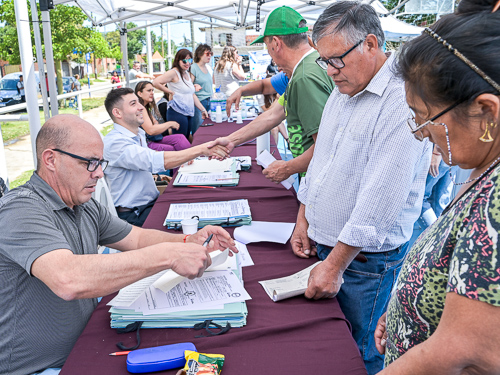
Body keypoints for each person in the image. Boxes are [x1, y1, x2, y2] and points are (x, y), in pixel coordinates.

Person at [0, 114, 237, 375]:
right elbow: (67, 279)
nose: (100, 173)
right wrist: (169, 254)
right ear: (51, 160)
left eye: (100, 162)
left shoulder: (82, 204)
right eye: (90, 163)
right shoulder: (20, 209)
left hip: (87, 343)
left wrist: (187, 241)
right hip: (40, 368)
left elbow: (135, 238)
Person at [291, 3, 430, 374]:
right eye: (323, 61)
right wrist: (303, 218)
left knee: (361, 351)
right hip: (333, 250)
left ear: (370, 44)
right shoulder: (344, 88)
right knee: (330, 349)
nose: (330, 71)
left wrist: (335, 264)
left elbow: (380, 201)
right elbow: (322, 161)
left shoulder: (402, 99)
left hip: (363, 263)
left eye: (336, 60)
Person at [374, 1, 500, 372]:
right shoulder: (484, 168)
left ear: (486, 112)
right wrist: (405, 308)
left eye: (426, 117)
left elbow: (468, 350)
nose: (421, 133)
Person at [211, 6, 334, 184]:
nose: (274, 63)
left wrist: (287, 168)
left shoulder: (304, 78)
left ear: (276, 43)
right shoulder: (304, 70)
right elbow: (273, 114)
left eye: (268, 48)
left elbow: (325, 146)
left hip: (320, 180)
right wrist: (231, 140)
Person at [103, 88, 225, 227]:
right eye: (133, 104)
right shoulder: (115, 143)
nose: (141, 107)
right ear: (117, 113)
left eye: (139, 102)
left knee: (201, 201)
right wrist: (201, 150)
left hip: (149, 204)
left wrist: (157, 178)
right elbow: (155, 161)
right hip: (134, 216)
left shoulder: (137, 135)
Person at [153, 49, 209, 141]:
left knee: (186, 138)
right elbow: (155, 82)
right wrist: (170, 92)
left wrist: (202, 109)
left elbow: (192, 94)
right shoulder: (174, 72)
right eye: (184, 61)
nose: (187, 63)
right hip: (177, 111)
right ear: (178, 61)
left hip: (189, 111)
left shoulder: (186, 73)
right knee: (180, 140)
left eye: (190, 60)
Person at [134, 81, 190, 152]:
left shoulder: (145, 108)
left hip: (154, 139)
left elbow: (155, 122)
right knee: (172, 149)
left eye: (152, 90)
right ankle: (188, 159)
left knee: (180, 138)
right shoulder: (140, 109)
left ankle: (190, 158)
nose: (152, 93)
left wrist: (155, 124)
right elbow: (151, 130)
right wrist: (170, 124)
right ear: (139, 93)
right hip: (146, 144)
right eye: (149, 90)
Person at [191, 44, 213, 133]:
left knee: (208, 129)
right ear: (200, 54)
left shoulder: (207, 68)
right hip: (199, 103)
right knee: (198, 130)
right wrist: (194, 86)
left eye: (211, 53)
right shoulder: (194, 68)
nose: (210, 56)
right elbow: (188, 86)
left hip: (209, 101)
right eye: (207, 53)